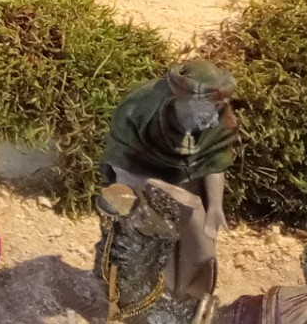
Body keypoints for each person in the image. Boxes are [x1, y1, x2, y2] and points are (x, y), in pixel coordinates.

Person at [101, 59, 241, 302]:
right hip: (137, 182)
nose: (218, 111)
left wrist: (215, 207)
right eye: (212, 105)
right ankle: (139, 296)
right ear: (186, 100)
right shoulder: (140, 107)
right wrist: (155, 194)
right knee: (144, 243)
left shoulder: (218, 119)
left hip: (187, 187)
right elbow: (120, 164)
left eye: (220, 104)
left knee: (200, 246)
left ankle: (188, 299)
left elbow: (214, 162)